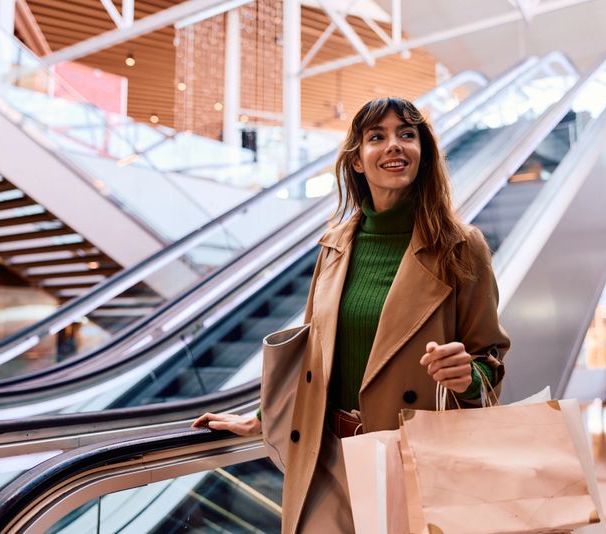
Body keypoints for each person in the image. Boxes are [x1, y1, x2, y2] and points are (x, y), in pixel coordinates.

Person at [193, 97, 510, 533]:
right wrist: (264, 417)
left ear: (424, 153)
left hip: (412, 459)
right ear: (357, 160)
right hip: (328, 456)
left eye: (406, 134)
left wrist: (466, 375)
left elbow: (489, 361)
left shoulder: (460, 246)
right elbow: (312, 352)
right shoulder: (336, 244)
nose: (393, 146)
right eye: (376, 137)